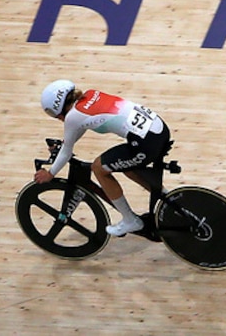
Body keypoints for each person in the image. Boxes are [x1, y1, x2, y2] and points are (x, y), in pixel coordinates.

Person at [33, 80, 171, 236]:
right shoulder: (90, 95)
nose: (56, 117)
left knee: (98, 168)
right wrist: (65, 143)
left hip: (146, 144)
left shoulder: (72, 116)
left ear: (57, 107)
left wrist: (50, 173)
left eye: (52, 113)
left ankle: (130, 220)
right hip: (159, 130)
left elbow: (67, 151)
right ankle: (170, 199)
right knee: (126, 167)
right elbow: (82, 126)